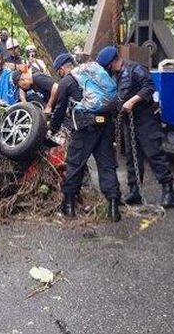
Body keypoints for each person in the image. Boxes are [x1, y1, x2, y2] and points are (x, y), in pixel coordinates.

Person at [96, 46, 174, 208]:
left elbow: (149, 87)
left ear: (113, 61)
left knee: (154, 153)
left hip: (146, 119)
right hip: (129, 121)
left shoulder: (136, 69)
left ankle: (168, 190)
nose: (108, 69)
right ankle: (135, 191)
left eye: (108, 66)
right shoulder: (115, 75)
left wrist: (132, 101)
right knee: (132, 157)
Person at [49, 53, 122, 222]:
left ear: (61, 69)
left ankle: (69, 206)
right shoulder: (94, 71)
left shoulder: (67, 81)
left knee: (75, 164)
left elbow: (60, 109)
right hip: (105, 124)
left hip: (85, 128)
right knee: (107, 165)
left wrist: (52, 127)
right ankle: (113, 208)